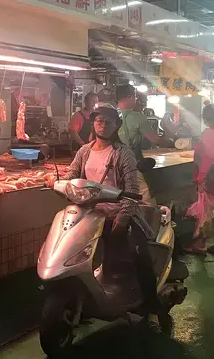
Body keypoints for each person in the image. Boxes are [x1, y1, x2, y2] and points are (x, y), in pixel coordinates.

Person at [55, 103, 162, 331]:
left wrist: (122, 220)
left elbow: (132, 192)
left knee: (139, 258)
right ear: (93, 123)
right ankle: (81, 304)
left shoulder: (122, 154)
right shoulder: (84, 151)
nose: (103, 125)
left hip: (120, 216)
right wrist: (60, 183)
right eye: (99, 121)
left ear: (117, 126)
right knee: (75, 260)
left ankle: (152, 308)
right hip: (90, 217)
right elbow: (73, 176)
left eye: (108, 122)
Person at [116, 84, 162, 204]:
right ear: (130, 97)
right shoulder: (138, 117)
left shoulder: (111, 115)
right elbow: (155, 139)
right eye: (135, 97)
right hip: (132, 162)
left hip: (112, 162)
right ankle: (148, 219)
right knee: (144, 195)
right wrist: (172, 142)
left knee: (119, 193)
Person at [185, 104, 214, 254]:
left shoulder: (209, 133)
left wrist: (200, 178)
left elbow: (207, 158)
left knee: (206, 211)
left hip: (210, 177)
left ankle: (200, 244)